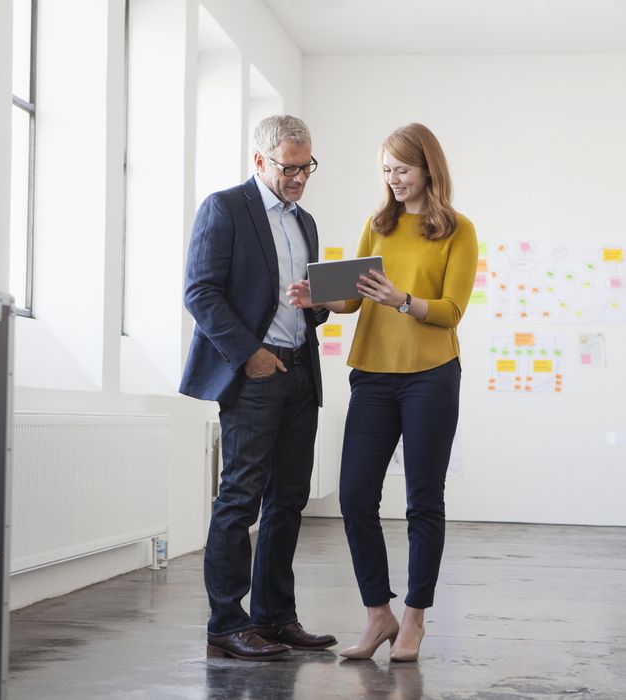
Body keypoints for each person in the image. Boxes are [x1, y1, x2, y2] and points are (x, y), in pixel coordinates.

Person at [288, 122, 478, 662]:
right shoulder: (379, 224)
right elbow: (354, 297)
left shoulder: (458, 230)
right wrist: (317, 298)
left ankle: (415, 619)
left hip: (431, 377)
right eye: (386, 170)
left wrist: (401, 299)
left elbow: (449, 312)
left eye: (402, 169)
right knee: (353, 496)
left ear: (428, 169)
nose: (393, 179)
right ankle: (379, 615)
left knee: (423, 500)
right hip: (371, 375)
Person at [179, 114, 336, 661]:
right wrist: (251, 355)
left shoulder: (306, 222)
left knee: (288, 499)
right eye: (288, 167)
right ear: (260, 161)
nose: (298, 177)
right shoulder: (225, 208)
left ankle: (274, 617)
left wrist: (315, 303)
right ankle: (226, 623)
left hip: (300, 372)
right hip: (254, 374)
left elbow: (296, 302)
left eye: (306, 167)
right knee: (240, 497)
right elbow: (200, 293)